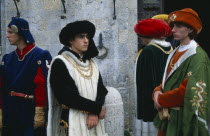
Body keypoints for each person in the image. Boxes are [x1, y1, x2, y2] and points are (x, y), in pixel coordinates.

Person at [153, 8, 210, 136]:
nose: (173, 30)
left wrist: (161, 99)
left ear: (190, 29)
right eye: (173, 26)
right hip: (169, 116)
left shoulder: (198, 57)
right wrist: (157, 90)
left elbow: (188, 91)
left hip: (183, 119)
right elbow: (167, 80)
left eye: (178, 26)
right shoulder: (175, 51)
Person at [47, 20, 108, 136]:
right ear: (71, 40)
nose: (86, 41)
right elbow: (67, 96)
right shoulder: (60, 62)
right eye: (81, 37)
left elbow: (101, 89)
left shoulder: (92, 63)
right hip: (71, 120)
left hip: (93, 119)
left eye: (87, 37)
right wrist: (96, 108)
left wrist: (95, 112)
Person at [0, 17, 52, 136]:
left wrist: (40, 113)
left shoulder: (40, 55)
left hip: (29, 110)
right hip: (10, 110)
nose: (7, 36)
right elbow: (2, 87)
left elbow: (42, 86)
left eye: (10, 32)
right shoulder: (7, 59)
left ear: (20, 33)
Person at [134, 18, 173, 134]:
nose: (140, 38)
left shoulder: (148, 51)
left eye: (141, 35)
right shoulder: (170, 49)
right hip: (166, 98)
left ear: (148, 35)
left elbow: (143, 83)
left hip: (150, 101)